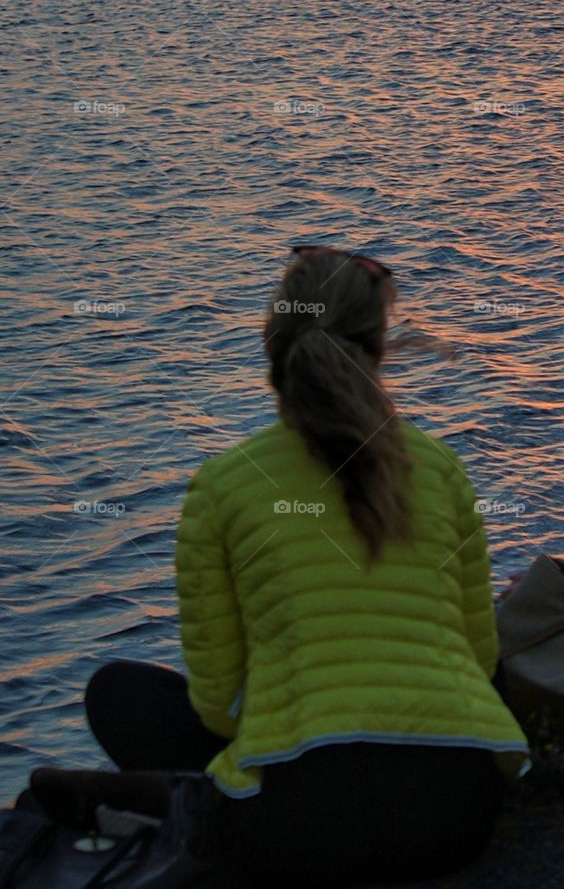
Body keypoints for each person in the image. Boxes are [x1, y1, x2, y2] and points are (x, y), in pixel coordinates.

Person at [85, 246, 527, 888]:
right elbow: (482, 661)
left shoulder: (223, 486)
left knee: (118, 692)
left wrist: (303, 712)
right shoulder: (441, 470)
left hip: (299, 834)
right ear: (377, 346)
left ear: (271, 345)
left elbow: (217, 705)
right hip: (456, 818)